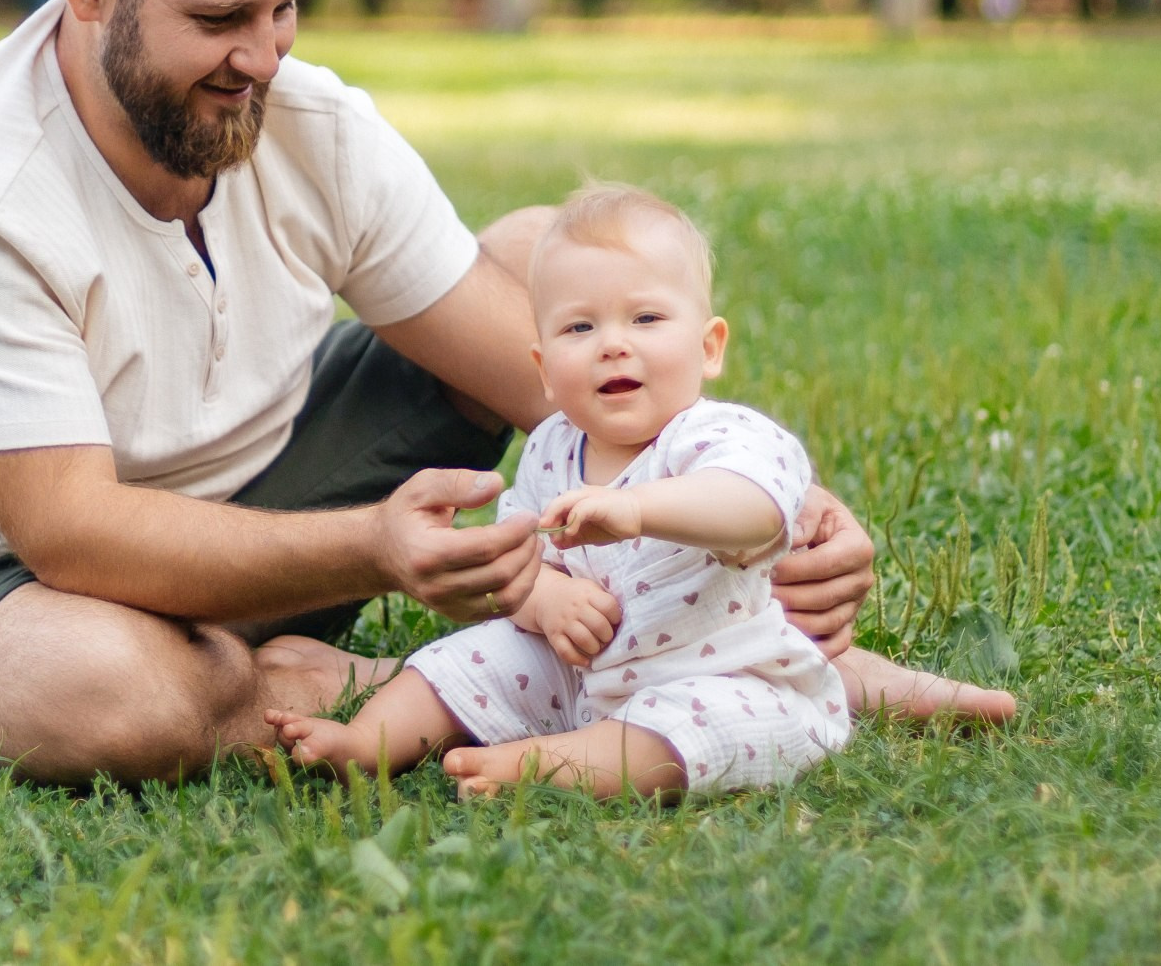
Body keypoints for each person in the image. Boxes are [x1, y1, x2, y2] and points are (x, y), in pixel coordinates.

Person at [0, 0, 1013, 785]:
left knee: (549, 256)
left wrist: (775, 508)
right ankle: (318, 687)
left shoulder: (308, 120)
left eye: (287, 6)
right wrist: (374, 550)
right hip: (25, 584)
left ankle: (688, 653)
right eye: (219, 18)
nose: (264, 57)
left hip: (265, 476)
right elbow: (74, 531)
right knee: (105, 695)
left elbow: (545, 371)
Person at [269, 183, 865, 799]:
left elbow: (752, 511)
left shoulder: (723, 436)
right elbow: (521, 565)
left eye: (647, 318)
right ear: (545, 370)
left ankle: (548, 763)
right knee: (471, 655)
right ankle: (369, 743)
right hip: (581, 675)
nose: (613, 343)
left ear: (709, 346)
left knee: (699, 725)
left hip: (723, 676)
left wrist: (637, 509)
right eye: (579, 327)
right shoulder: (553, 448)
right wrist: (546, 598)